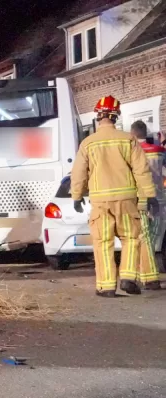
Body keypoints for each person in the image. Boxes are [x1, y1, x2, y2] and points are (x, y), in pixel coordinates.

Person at [70, 96, 157, 297]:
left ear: (98, 116)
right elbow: (141, 170)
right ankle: (127, 277)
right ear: (116, 116)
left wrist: (76, 196)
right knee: (131, 239)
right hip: (127, 200)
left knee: (102, 243)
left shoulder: (88, 143)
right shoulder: (128, 139)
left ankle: (107, 286)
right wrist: (149, 194)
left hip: (100, 202)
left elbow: (79, 173)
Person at [131, 120, 164, 290]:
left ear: (132, 134)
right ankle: (148, 276)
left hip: (139, 201)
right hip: (159, 199)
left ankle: (145, 277)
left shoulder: (131, 152)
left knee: (140, 239)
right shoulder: (159, 151)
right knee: (152, 239)